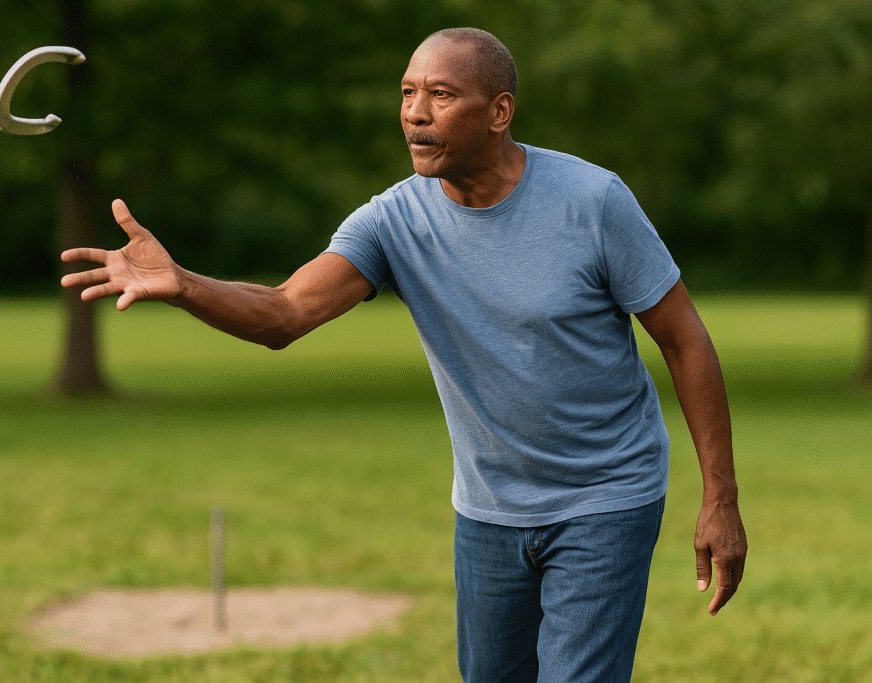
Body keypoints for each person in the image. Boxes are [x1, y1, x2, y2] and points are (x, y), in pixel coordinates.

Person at [61, 27, 747, 683]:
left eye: (441, 96)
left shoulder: (593, 201)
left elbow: (684, 338)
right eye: (407, 92)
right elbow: (285, 313)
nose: (415, 114)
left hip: (606, 496)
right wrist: (184, 285)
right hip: (488, 509)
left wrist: (721, 497)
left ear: (500, 110)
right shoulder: (393, 221)